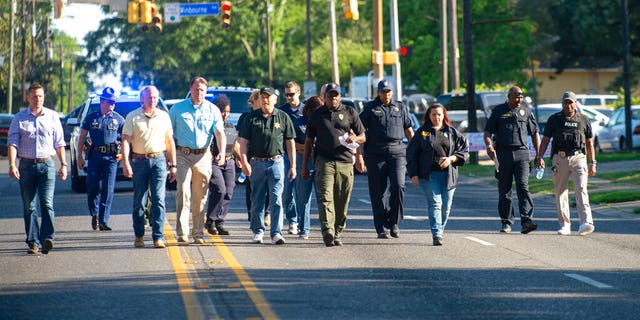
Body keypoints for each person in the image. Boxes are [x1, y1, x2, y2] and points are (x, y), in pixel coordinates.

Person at [302, 83, 366, 247]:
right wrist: (304, 166)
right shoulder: (317, 115)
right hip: (324, 162)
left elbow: (363, 136)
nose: (333, 98)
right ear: (324, 97)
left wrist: (356, 140)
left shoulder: (350, 112)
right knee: (325, 197)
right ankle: (327, 231)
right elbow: (309, 141)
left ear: (340, 96)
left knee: (342, 200)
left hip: (345, 161)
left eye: (336, 95)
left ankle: (337, 231)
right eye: (330, 96)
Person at [8, 84, 67, 254]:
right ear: (28, 98)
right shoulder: (19, 118)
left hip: (47, 165)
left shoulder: (52, 116)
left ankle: (48, 238)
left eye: (40, 96)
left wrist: (63, 164)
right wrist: (12, 164)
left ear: (43, 97)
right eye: (34, 96)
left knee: (47, 203)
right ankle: (33, 242)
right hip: (26, 166)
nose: (38, 99)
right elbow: (13, 143)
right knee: (29, 206)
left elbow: (60, 143)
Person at [169, 77, 226, 245]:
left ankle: (198, 233)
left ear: (206, 92)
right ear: (190, 90)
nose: (199, 93)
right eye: (196, 90)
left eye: (202, 90)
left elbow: (220, 133)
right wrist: (170, 158)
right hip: (182, 155)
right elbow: (169, 135)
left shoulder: (213, 110)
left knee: (200, 196)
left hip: (203, 156)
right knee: (183, 193)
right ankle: (182, 232)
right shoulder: (177, 109)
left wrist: (221, 152)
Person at [356, 80, 414, 239]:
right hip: (375, 153)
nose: (386, 94)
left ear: (392, 92)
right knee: (378, 192)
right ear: (378, 92)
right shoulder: (369, 108)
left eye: (388, 91)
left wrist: (414, 151)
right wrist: (358, 156)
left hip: (397, 151)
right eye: (383, 91)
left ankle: (394, 221)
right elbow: (359, 132)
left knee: (398, 186)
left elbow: (409, 130)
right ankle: (381, 226)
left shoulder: (401, 107)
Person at [238, 87, 296, 245]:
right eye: (263, 97)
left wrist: (293, 165)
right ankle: (258, 231)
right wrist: (244, 162)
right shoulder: (251, 117)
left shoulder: (282, 117)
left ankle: (276, 233)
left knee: (276, 198)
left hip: (277, 162)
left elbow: (290, 142)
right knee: (257, 198)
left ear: (275, 100)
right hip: (256, 163)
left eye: (269, 97)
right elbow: (243, 142)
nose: (265, 100)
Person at [122, 86, 177, 249]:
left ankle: (158, 236)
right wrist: (126, 163)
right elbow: (125, 141)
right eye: (150, 97)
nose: (153, 100)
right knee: (139, 200)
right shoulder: (132, 117)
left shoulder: (164, 117)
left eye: (155, 97)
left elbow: (170, 141)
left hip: (159, 160)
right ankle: (139, 234)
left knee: (159, 200)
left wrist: (173, 165)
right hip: (139, 161)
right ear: (142, 99)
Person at [407, 103, 469, 246]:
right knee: (435, 203)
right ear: (429, 116)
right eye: (433, 114)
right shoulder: (422, 132)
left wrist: (451, 159)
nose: (436, 117)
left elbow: (464, 150)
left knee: (446, 207)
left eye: (439, 114)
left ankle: (440, 229)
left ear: (444, 115)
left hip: (448, 175)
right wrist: (413, 174)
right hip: (428, 175)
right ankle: (437, 234)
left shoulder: (452, 132)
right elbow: (411, 153)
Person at [537, 91, 597, 236]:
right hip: (560, 158)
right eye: (565, 102)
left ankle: (586, 222)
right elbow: (545, 140)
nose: (568, 105)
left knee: (581, 189)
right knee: (560, 192)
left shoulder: (583, 119)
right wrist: (539, 156)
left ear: (575, 104)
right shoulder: (554, 119)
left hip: (578, 158)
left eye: (571, 102)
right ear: (562, 103)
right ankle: (565, 224)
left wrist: (592, 162)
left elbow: (589, 143)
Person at [484, 86, 541, 234]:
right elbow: (487, 132)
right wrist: (489, 145)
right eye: (516, 96)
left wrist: (538, 155)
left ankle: (526, 221)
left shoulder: (526, 112)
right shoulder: (498, 111)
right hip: (503, 153)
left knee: (523, 187)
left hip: (522, 153)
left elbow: (535, 133)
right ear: (508, 96)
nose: (519, 99)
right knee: (505, 189)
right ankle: (506, 222)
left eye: (521, 96)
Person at [76, 87, 125, 231]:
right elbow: (82, 137)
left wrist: (122, 153)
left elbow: (125, 139)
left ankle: (103, 220)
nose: (112, 105)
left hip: (111, 158)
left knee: (108, 189)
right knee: (92, 187)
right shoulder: (91, 118)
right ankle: (95, 213)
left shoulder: (118, 119)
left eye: (113, 102)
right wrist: (79, 156)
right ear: (102, 101)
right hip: (95, 156)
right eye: (109, 102)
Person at [206, 94, 239, 236]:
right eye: (222, 111)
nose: (225, 114)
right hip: (214, 162)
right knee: (219, 189)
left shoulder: (231, 126)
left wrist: (241, 161)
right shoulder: (210, 127)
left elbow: (235, 145)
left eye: (227, 111)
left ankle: (220, 222)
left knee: (229, 191)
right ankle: (210, 220)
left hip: (229, 161)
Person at [238, 90, 271, 225]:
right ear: (254, 101)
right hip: (250, 156)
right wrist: (241, 158)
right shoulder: (245, 117)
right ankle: (252, 213)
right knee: (251, 187)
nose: (264, 101)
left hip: (267, 156)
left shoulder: (269, 115)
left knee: (269, 186)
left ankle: (266, 213)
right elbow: (240, 138)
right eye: (260, 98)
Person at [279, 81, 305, 235]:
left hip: (304, 156)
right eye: (287, 94)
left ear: (299, 92)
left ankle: (302, 222)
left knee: (302, 193)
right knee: (287, 191)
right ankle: (293, 220)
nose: (289, 97)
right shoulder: (281, 111)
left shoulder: (306, 110)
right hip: (285, 156)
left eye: (292, 94)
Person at [295, 95, 324, 239]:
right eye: (315, 110)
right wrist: (305, 147)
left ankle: (326, 227)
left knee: (322, 198)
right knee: (303, 198)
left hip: (320, 164)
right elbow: (291, 143)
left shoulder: (323, 121)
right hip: (303, 162)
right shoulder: (298, 122)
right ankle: (303, 228)